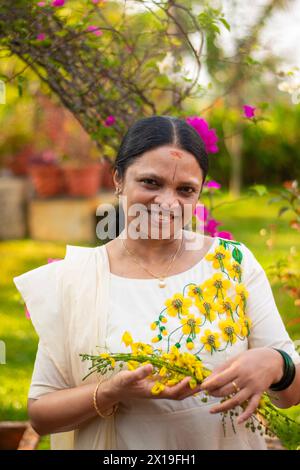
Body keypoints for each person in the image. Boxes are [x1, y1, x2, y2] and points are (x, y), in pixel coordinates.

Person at [14, 116, 300, 450]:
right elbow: (42, 414)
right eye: (151, 182)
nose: (168, 201)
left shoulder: (232, 264)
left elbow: (290, 396)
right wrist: (110, 392)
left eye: (185, 190)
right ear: (118, 179)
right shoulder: (78, 278)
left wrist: (278, 364)